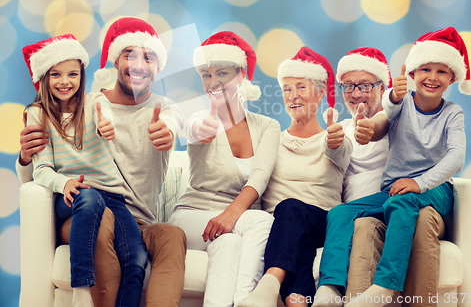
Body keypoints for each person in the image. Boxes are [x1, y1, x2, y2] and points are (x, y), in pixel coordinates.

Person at [17, 18, 187, 307]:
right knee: (102, 219)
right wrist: (24, 157)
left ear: (158, 66)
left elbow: (173, 122)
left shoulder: (165, 109)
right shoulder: (86, 104)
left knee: (172, 235)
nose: (139, 64)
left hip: (136, 219)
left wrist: (167, 132)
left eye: (149, 57)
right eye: (129, 54)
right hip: (85, 212)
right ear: (115, 60)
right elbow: (37, 174)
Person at [314, 28, 471, 307]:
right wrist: (367, 129)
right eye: (425, 69)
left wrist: (419, 182)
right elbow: (382, 121)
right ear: (411, 73)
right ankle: (330, 287)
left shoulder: (452, 113)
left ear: (452, 78)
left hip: (435, 189)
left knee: (402, 201)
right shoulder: (399, 102)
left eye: (441, 71)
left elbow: (456, 158)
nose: (432, 77)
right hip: (396, 191)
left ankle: (386, 286)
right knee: (340, 213)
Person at [169, 31, 281, 307]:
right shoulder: (200, 117)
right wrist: (198, 129)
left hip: (230, 225)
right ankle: (248, 301)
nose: (213, 82)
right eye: (206, 75)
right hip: (192, 217)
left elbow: (260, 177)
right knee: (262, 220)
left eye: (222, 73)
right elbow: (192, 128)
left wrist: (230, 216)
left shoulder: (267, 126)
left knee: (229, 244)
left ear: (241, 75)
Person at [236, 46, 351, 307]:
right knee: (297, 237)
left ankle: (270, 282)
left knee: (289, 208)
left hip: (321, 221)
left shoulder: (335, 137)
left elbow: (339, 151)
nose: (292, 96)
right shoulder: (271, 138)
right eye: (286, 89)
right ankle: (296, 303)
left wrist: (333, 141)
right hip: (281, 229)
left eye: (301, 87)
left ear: (321, 92)